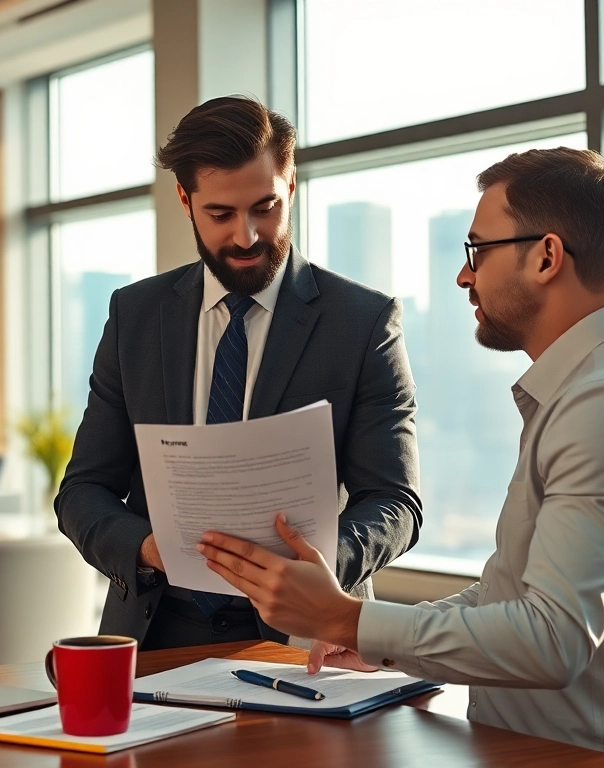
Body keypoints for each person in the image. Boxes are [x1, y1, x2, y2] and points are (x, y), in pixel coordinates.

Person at [197, 147, 604, 768]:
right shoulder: (588, 390)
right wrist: (367, 631)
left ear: (547, 257)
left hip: (599, 757)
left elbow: (551, 640)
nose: (463, 276)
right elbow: (513, 596)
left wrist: (349, 620)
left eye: (478, 250)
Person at [54, 96, 423, 650]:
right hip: (153, 637)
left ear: (291, 186)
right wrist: (149, 547)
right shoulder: (135, 317)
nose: (247, 236)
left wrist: (318, 568)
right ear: (185, 200)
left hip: (304, 639)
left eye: (265, 207)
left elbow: (396, 501)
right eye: (221, 214)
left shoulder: (362, 322)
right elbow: (82, 490)